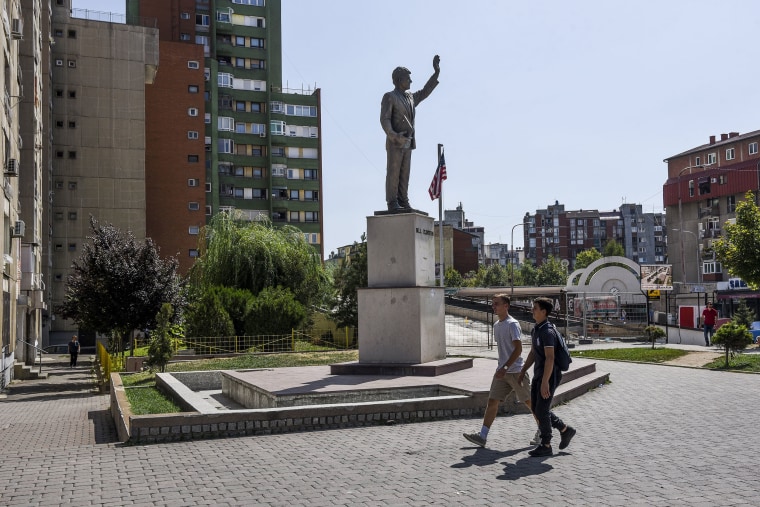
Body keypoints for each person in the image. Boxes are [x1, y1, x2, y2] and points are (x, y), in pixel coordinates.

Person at [463, 294, 539, 448]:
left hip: (516, 371)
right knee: (492, 401)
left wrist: (505, 367)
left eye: (497, 304)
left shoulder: (512, 324)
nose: (494, 307)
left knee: (530, 402)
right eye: (493, 304)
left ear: (506, 306)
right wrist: (502, 368)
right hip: (502, 372)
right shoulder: (497, 325)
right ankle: (482, 436)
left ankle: (543, 430)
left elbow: (518, 349)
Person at [380, 55, 440, 211]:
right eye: (408, 78)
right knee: (393, 172)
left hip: (408, 141)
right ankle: (392, 202)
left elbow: (425, 91)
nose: (411, 82)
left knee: (405, 173)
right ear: (399, 80)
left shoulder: (411, 97)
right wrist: (394, 136)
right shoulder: (390, 97)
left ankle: (403, 200)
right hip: (396, 142)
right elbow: (384, 119)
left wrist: (436, 73)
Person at [518, 297, 576, 457]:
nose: (532, 310)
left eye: (535, 308)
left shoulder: (547, 331)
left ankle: (546, 444)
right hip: (539, 374)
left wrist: (545, 382)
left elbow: (550, 358)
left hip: (549, 375)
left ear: (544, 312)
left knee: (542, 409)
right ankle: (565, 429)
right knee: (537, 409)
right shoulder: (536, 329)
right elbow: (532, 353)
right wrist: (523, 370)